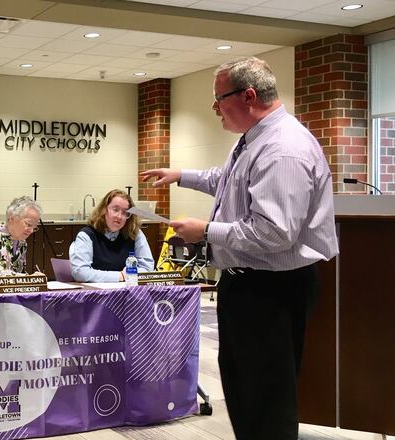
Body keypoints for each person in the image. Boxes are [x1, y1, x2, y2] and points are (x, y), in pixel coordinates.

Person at [140, 56, 338, 440]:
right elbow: (228, 180)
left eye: (219, 98)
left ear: (248, 96)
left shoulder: (282, 148)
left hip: (271, 289)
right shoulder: (254, 139)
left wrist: (205, 231)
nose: (214, 108)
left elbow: (274, 234)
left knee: (266, 400)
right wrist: (181, 175)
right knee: (245, 390)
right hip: (249, 284)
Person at [69, 189, 154, 282]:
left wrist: (130, 274)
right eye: (115, 210)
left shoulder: (134, 233)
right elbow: (80, 273)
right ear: (104, 210)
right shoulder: (86, 235)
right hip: (96, 290)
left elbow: (147, 268)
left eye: (125, 213)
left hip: (128, 289)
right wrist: (120, 276)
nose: (119, 216)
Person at [0, 196, 42, 284]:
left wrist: (34, 279)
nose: (31, 230)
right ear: (12, 218)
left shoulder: (22, 242)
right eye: (29, 224)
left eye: (34, 227)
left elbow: (18, 272)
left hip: (6, 291)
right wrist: (27, 278)